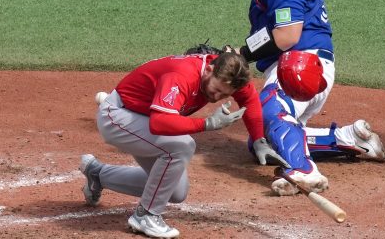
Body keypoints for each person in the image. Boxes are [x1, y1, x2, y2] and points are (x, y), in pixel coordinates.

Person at [235, 0, 385, 196]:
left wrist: (242, 53)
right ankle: (349, 139)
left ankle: (304, 171)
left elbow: (287, 36)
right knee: (263, 143)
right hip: (304, 61)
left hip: (300, 64)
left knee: (271, 112)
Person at [79, 52, 286, 238]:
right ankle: (146, 216)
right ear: (209, 69)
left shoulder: (230, 74)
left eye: (225, 94)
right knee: (182, 145)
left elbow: (249, 99)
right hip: (117, 117)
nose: (217, 97)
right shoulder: (183, 75)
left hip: (141, 119)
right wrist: (206, 124)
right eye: (216, 90)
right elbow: (159, 123)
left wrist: (259, 140)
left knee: (175, 191)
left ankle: (98, 174)